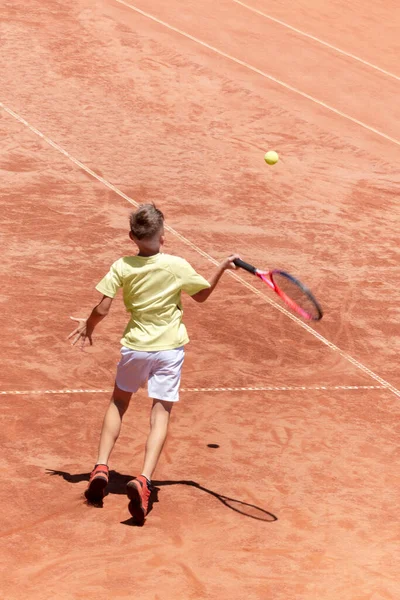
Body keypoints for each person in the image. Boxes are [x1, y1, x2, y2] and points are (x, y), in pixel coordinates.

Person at [68, 203, 238, 524]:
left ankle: (101, 466)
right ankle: (144, 480)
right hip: (169, 350)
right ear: (164, 235)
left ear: (132, 236)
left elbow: (102, 310)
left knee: (119, 402)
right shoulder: (176, 265)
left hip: (135, 347)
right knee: (160, 413)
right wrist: (221, 268)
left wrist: (88, 326)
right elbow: (201, 296)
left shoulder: (121, 266)